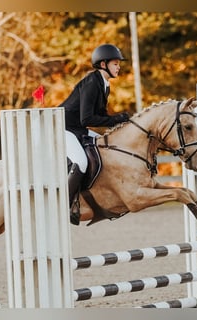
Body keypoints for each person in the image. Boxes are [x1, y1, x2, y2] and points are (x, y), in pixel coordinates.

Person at [58, 44, 130, 224]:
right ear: (103, 64)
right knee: (81, 162)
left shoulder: (104, 84)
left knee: (108, 147)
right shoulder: (92, 83)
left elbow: (101, 116)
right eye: (115, 63)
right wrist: (116, 120)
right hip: (64, 128)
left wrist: (121, 122)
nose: (118, 66)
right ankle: (64, 205)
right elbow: (87, 118)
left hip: (78, 129)